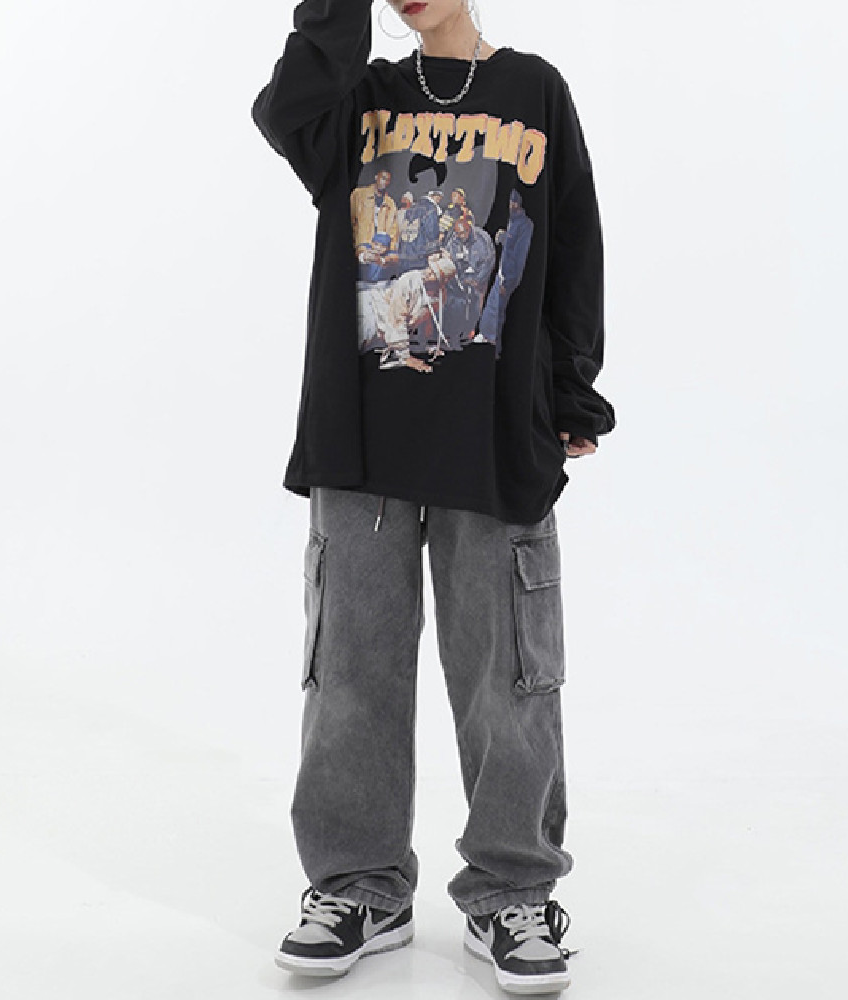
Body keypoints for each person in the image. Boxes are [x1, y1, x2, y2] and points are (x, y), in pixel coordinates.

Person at [250, 0, 616, 993]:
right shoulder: (353, 95)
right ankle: (358, 885)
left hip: (491, 432)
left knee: (508, 676)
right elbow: (285, 114)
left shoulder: (533, 89)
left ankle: (511, 891)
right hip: (361, 432)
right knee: (351, 670)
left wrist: (571, 390)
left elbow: (571, 244)